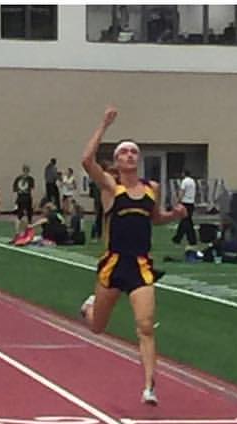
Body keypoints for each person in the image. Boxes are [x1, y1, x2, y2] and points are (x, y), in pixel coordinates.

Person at [79, 106, 187, 406]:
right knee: (98, 327)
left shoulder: (151, 188)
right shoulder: (111, 188)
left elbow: (155, 218)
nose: (129, 156)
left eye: (133, 152)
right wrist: (103, 124)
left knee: (145, 326)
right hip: (113, 264)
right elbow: (86, 160)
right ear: (116, 161)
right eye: (123, 153)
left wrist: (174, 215)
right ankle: (89, 307)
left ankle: (149, 386)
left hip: (140, 265)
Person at [172, 168, 197, 246]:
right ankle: (191, 239)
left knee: (185, 221)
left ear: (184, 173)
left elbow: (182, 192)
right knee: (188, 221)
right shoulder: (193, 181)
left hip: (185, 203)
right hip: (191, 203)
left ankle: (179, 238)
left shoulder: (184, 181)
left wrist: (178, 201)